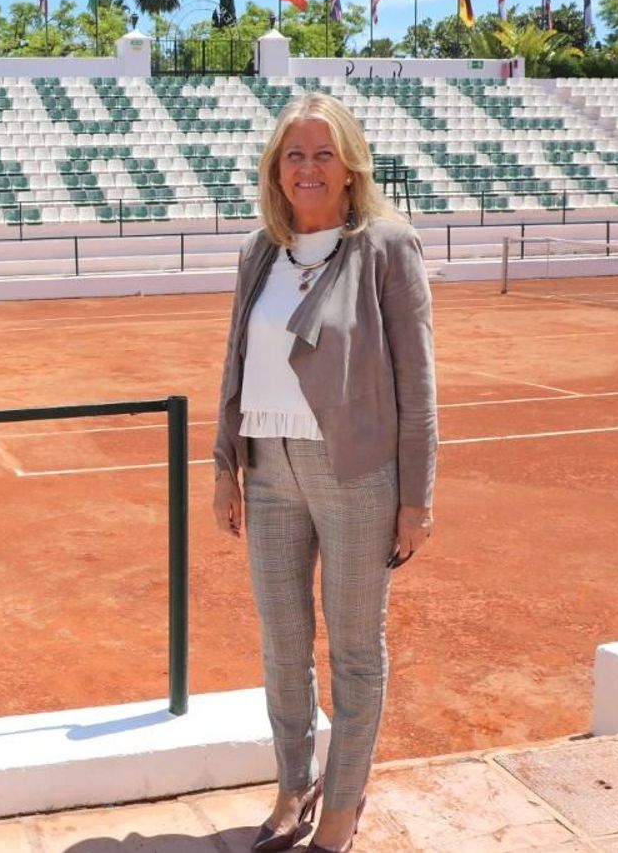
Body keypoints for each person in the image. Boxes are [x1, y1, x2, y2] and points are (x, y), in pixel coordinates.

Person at [211, 92, 438, 853]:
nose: (307, 168)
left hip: (355, 472)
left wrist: (417, 499)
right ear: (275, 169)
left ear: (349, 168)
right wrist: (225, 468)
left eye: (322, 154)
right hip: (268, 465)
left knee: (353, 648)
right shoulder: (258, 251)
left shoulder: (386, 245)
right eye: (293, 154)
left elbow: (418, 380)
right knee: (282, 642)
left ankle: (341, 805)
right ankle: (293, 784)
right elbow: (235, 364)